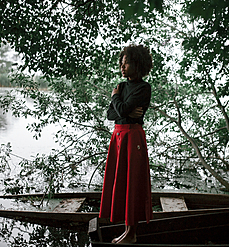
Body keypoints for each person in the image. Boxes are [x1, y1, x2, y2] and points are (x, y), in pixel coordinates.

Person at [99, 44, 153, 244]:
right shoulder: (121, 86)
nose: (122, 67)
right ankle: (127, 232)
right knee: (120, 182)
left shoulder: (143, 88)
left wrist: (116, 100)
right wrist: (122, 107)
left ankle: (132, 234)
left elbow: (120, 110)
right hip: (118, 136)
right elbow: (111, 114)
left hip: (133, 137)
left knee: (133, 183)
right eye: (121, 64)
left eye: (126, 63)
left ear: (137, 64)